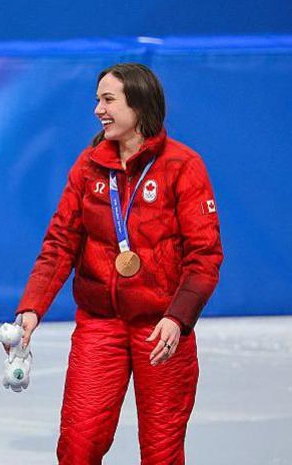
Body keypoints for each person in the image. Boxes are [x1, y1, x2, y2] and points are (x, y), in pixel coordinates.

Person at [14, 63, 222, 464]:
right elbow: (59, 243)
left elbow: (205, 256)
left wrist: (177, 318)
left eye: (108, 100)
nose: (98, 109)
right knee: (78, 445)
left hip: (161, 330)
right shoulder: (89, 165)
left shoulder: (183, 166)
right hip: (100, 324)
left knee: (161, 452)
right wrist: (31, 307)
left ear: (139, 106)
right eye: (97, 100)